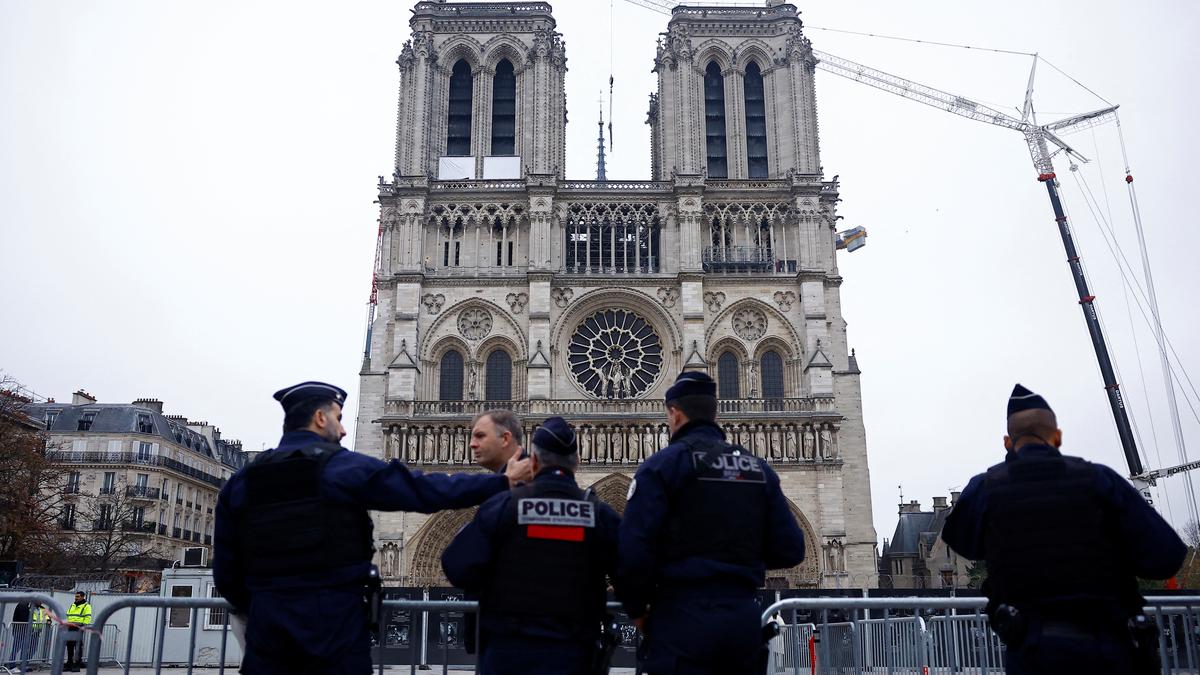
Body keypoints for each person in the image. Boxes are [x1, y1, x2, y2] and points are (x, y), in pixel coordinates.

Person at [214, 381, 533, 675]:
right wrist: (502, 481)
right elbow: (423, 490)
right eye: (338, 418)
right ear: (320, 419)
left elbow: (226, 572)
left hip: (268, 625)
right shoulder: (342, 468)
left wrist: (265, 602)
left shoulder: (244, 481)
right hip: (334, 623)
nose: (342, 431)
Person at [942, 384, 1187, 675]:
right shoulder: (1100, 480)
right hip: (1110, 646)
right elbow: (1166, 558)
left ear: (1008, 442)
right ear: (1057, 437)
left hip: (1035, 650)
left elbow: (964, 544)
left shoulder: (985, 488)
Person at [618, 371, 807, 675]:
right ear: (714, 413)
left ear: (675, 414)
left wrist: (640, 613)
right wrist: (741, 555)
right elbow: (791, 549)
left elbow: (631, 554)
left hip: (681, 620)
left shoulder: (660, 468)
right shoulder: (757, 469)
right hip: (741, 621)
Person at [442, 417, 621, 675]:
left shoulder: (502, 507)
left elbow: (456, 567)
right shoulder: (600, 516)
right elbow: (632, 575)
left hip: (508, 655)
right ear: (577, 463)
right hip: (574, 655)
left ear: (533, 462)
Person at [64, 591, 92, 672]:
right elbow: (68, 615)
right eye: (75, 596)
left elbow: (87, 617)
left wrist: (82, 625)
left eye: (78, 596)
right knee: (69, 646)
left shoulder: (86, 606)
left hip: (78, 627)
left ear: (83, 597)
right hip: (70, 627)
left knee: (78, 646)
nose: (76, 598)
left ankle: (77, 665)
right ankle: (69, 664)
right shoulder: (72, 605)